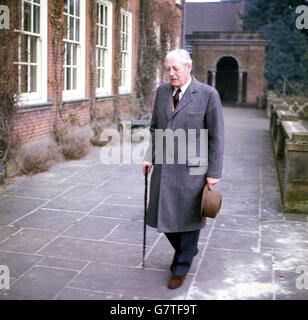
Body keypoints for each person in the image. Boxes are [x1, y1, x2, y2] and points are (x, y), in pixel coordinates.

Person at [142, 49, 224, 289]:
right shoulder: (162, 92)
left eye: (176, 68)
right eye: (167, 69)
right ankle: (186, 249)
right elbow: (156, 128)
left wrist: (214, 172)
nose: (171, 73)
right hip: (165, 167)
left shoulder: (208, 94)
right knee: (161, 214)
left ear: (189, 67)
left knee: (189, 217)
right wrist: (150, 157)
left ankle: (180, 267)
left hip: (193, 169)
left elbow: (216, 137)